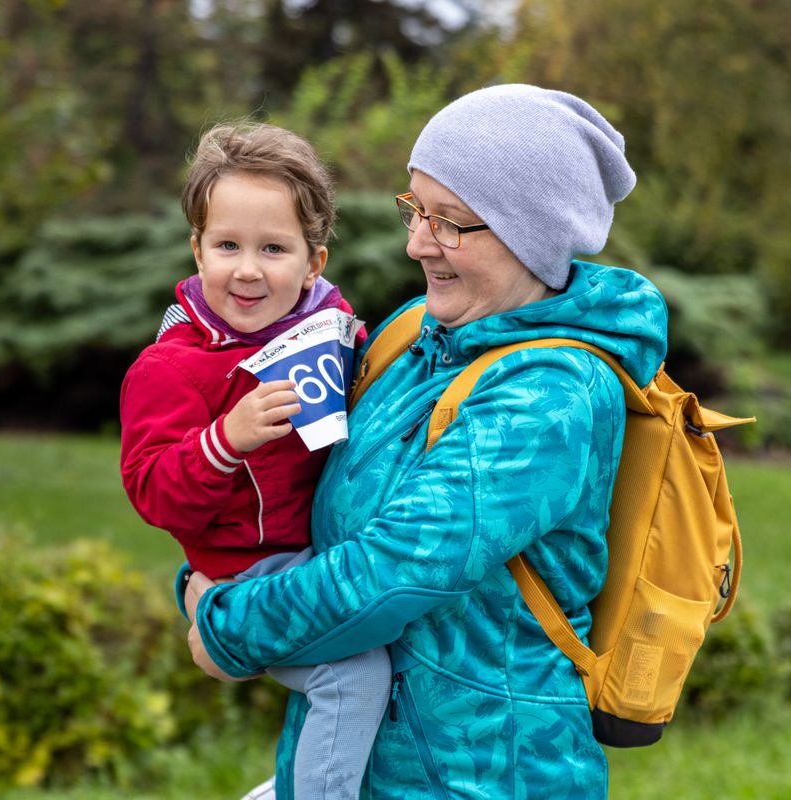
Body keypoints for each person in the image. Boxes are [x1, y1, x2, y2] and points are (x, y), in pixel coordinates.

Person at [184, 85, 669, 799]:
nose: (417, 243)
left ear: (528, 232)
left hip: (478, 777)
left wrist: (226, 622)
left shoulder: (551, 393)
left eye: (451, 223)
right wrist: (214, 572)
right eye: (416, 210)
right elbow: (296, 486)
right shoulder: (420, 334)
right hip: (365, 768)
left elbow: (395, 569)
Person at [119, 122, 389, 800]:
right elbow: (154, 492)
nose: (247, 268)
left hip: (321, 549)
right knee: (352, 675)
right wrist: (225, 441)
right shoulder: (171, 368)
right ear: (197, 249)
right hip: (247, 568)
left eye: (273, 248)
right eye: (227, 245)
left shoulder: (330, 332)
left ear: (313, 262)